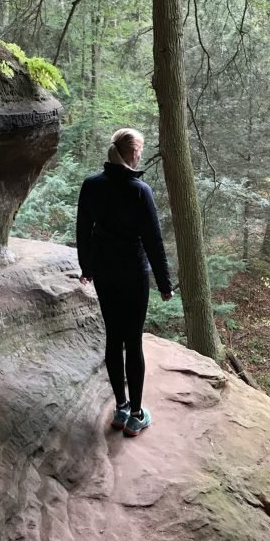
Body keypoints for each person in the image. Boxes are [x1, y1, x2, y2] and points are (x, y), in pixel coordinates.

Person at [76, 128, 173, 437]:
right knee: (133, 341)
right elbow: (153, 240)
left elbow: (83, 230)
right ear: (132, 154)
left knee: (113, 338)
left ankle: (119, 408)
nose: (141, 155)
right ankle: (135, 414)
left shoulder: (91, 186)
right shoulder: (139, 190)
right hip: (133, 273)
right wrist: (164, 282)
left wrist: (87, 266)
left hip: (104, 271)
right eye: (139, 150)